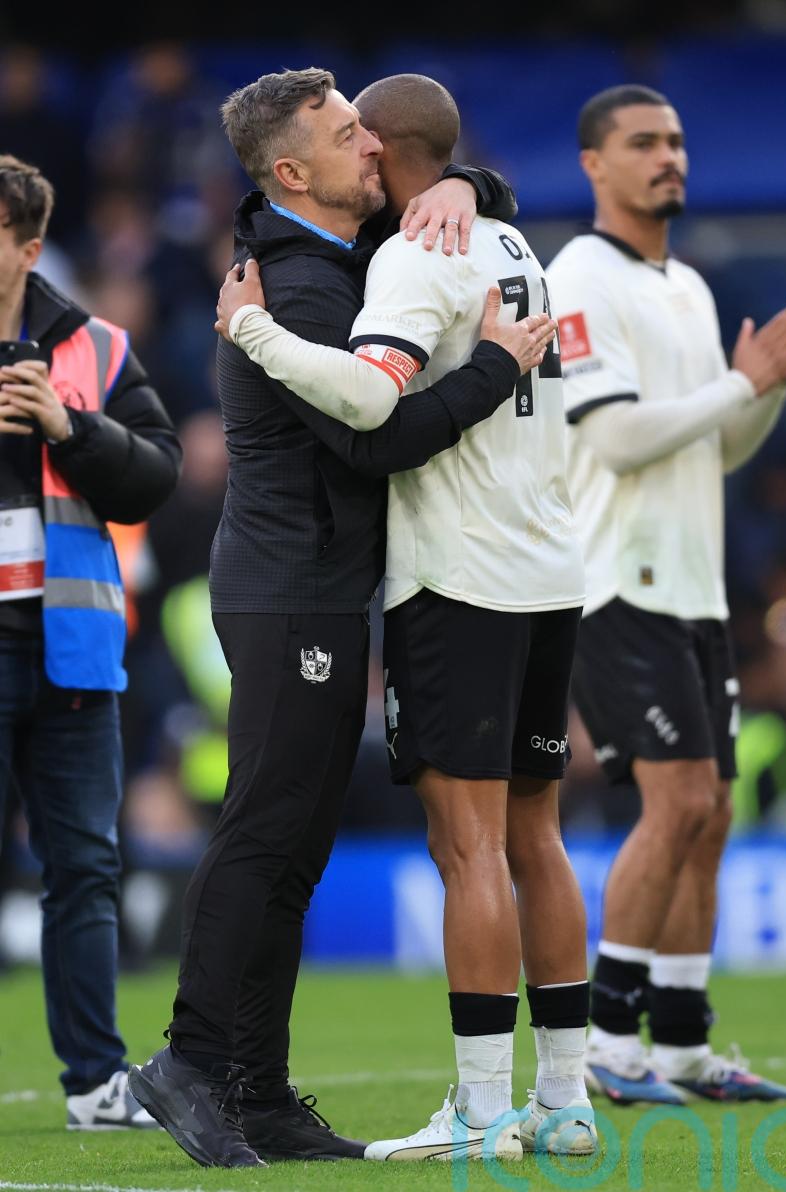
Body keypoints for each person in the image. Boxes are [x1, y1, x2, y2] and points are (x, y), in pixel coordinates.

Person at [129, 67, 554, 1169]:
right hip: (287, 590)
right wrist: (497, 368)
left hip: (312, 586)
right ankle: (187, 1062)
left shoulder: (330, 258)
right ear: (292, 171)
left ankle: (256, 1091)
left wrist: (459, 180)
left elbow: (448, 187)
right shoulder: (300, 287)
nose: (370, 146)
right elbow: (375, 439)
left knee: (295, 850)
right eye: (344, 132)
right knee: (265, 829)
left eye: (366, 128)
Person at [546, 85, 786, 1104]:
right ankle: (608, 1043)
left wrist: (767, 380)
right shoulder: (578, 276)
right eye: (642, 142)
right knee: (679, 799)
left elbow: (719, 444)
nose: (668, 157)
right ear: (592, 165)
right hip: (615, 582)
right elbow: (612, 434)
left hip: (690, 590)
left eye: (677, 141)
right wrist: (738, 388)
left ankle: (685, 1044)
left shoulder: (688, 288)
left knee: (713, 811)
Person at [0, 155, 181, 1127]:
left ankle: (96, 1084)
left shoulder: (99, 350)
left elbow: (153, 478)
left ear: (30, 249)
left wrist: (68, 425)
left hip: (68, 643)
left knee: (84, 867)